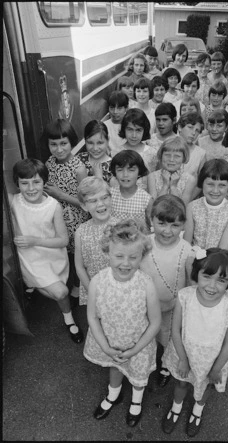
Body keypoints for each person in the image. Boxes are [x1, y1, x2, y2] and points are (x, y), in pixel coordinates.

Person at [83, 219, 161, 427]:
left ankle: (136, 402)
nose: (125, 263)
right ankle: (113, 395)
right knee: (115, 367)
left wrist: (136, 349)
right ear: (107, 252)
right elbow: (92, 317)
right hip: (110, 341)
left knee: (138, 374)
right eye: (119, 256)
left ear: (141, 256)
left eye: (133, 257)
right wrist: (105, 347)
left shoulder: (146, 284)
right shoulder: (98, 282)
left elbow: (155, 322)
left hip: (138, 344)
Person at [161, 247, 228, 437]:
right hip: (184, 354)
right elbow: (175, 329)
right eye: (207, 276)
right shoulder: (185, 297)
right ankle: (176, 407)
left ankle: (197, 411)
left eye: (221, 280)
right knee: (181, 383)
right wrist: (182, 359)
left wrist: (215, 369)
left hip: (211, 362)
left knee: (205, 386)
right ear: (197, 273)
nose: (212, 286)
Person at [10, 158, 83, 343]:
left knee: (57, 290)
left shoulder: (53, 205)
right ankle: (69, 319)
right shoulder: (13, 201)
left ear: (44, 182)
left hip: (50, 254)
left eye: (36, 182)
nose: (31, 188)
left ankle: (33, 287)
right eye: (24, 183)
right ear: (17, 184)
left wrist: (34, 240)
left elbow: (63, 240)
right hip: (27, 257)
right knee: (61, 293)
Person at [140, 195, 193, 388]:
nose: (167, 231)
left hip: (172, 306)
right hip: (145, 305)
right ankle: (145, 363)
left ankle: (165, 364)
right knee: (146, 335)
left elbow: (189, 282)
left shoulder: (187, 250)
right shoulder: (144, 244)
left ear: (183, 225)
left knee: (169, 336)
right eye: (161, 223)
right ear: (152, 219)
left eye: (175, 225)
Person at [43, 118, 89, 304]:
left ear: (72, 142)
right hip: (57, 217)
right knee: (62, 252)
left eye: (64, 143)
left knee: (76, 253)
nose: (59, 149)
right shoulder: (49, 163)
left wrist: (60, 194)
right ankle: (63, 281)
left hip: (76, 219)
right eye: (53, 144)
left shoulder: (79, 169)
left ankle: (78, 284)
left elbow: (85, 203)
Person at [75, 177, 119, 305]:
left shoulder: (121, 227)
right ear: (84, 206)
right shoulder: (81, 232)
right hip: (94, 290)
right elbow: (79, 267)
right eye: (93, 201)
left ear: (111, 198)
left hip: (119, 289)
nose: (100, 204)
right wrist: (92, 292)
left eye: (104, 197)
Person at [184, 158, 228, 252]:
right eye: (210, 184)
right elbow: (186, 243)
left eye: (222, 185)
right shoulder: (192, 207)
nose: (215, 190)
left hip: (218, 262)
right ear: (202, 183)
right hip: (193, 259)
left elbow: (223, 249)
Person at [147, 136, 197, 206]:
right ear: (161, 156)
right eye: (167, 155)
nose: (171, 159)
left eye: (177, 156)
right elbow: (154, 206)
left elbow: (183, 207)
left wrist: (173, 187)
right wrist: (165, 185)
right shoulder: (152, 177)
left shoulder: (190, 179)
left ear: (184, 158)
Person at [110, 150, 153, 229]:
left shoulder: (146, 199)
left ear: (139, 172)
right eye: (120, 170)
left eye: (131, 170)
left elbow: (150, 226)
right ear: (114, 172)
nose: (125, 175)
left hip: (137, 239)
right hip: (114, 239)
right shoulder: (109, 195)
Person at [118, 108, 158, 175]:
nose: (134, 135)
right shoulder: (117, 152)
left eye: (138, 130)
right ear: (124, 129)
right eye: (130, 129)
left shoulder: (152, 153)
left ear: (144, 130)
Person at [177, 112, 206, 181]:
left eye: (197, 130)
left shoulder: (200, 154)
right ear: (180, 127)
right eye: (190, 127)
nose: (193, 133)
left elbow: (201, 181)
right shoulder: (167, 145)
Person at [104, 91, 128, 157]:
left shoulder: (130, 125)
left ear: (126, 108)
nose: (115, 112)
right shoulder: (104, 126)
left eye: (119, 108)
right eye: (112, 108)